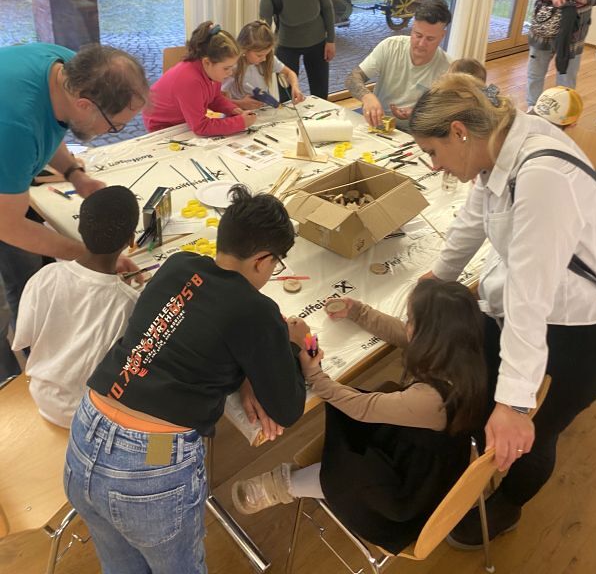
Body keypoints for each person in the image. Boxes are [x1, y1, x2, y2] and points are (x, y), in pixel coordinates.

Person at [64, 185, 310, 574]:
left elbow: (193, 333)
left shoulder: (179, 265)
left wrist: (245, 372)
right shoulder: (256, 309)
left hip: (85, 433)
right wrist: (291, 344)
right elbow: (288, 408)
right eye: (275, 264)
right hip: (150, 462)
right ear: (263, 260)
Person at [407, 73, 596, 547]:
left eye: (433, 152)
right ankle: (478, 458)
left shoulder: (542, 175)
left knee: (533, 431)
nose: (433, 165)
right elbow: (474, 219)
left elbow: (530, 297)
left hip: (578, 329)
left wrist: (514, 404)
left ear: (458, 132)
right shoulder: (496, 146)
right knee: (484, 398)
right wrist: (437, 278)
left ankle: (507, 504)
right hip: (528, 311)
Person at [232, 280, 487, 553]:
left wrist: (312, 361)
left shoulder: (430, 400)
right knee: (353, 417)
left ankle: (286, 484)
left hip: (410, 488)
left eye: (411, 321)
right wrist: (357, 311)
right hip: (425, 447)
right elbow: (400, 333)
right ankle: (296, 481)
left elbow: (361, 407)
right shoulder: (456, 350)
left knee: (351, 468)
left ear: (428, 336)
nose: (406, 325)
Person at [0, 42, 148, 382]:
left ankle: (37, 351)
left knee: (30, 271)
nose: (111, 133)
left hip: (9, 162)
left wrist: (74, 174)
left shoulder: (70, 67)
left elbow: (48, 127)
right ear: (85, 104)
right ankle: (15, 383)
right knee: (11, 295)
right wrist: (90, 256)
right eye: (114, 126)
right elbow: (8, 226)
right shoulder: (14, 126)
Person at [12, 186, 140, 427]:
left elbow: (23, 340)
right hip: (91, 414)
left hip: (42, 396)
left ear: (79, 229)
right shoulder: (129, 303)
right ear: (131, 240)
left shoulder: (45, 276)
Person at [345, 0, 452, 130]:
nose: (421, 44)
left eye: (430, 39)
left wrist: (417, 113)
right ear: (412, 29)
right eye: (418, 35)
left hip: (416, 131)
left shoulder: (448, 68)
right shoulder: (390, 46)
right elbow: (352, 79)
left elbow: (445, 114)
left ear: (442, 35)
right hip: (377, 124)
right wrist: (367, 97)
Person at [143, 21, 257, 136]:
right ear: (207, 62)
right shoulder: (190, 81)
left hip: (184, 119)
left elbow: (214, 98)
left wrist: (232, 109)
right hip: (163, 125)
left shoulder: (212, 71)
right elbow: (200, 127)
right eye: (226, 68)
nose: (230, 72)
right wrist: (240, 122)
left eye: (232, 67)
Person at [260, 0, 335, 100]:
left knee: (320, 96)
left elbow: (328, 9)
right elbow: (263, 27)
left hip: (317, 43)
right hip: (286, 45)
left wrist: (331, 40)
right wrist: (263, 53)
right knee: (287, 98)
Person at [223, 19, 305, 108]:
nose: (264, 58)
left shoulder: (268, 59)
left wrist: (295, 87)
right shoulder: (232, 66)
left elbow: (289, 73)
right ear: (244, 49)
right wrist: (240, 103)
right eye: (259, 55)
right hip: (238, 112)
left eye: (267, 54)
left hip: (262, 110)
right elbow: (218, 99)